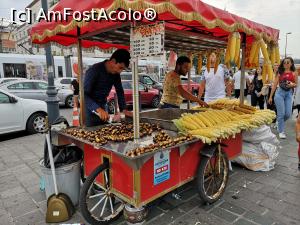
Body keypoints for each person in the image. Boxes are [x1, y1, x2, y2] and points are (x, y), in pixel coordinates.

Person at [84, 49, 131, 127]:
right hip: (90, 111)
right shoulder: (94, 70)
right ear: (113, 61)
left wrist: (124, 109)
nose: (120, 72)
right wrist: (97, 109)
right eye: (120, 67)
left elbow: (119, 91)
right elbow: (83, 95)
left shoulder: (115, 74)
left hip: (103, 107)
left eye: (122, 69)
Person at [268, 57, 298, 139]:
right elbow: (274, 85)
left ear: (291, 63)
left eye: (288, 62)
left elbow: (296, 84)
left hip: (289, 94)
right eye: (284, 63)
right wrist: (270, 96)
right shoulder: (280, 72)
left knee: (288, 114)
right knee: (281, 114)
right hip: (279, 93)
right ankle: (281, 131)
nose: (286, 64)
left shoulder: (294, 72)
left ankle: (278, 122)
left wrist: (292, 85)